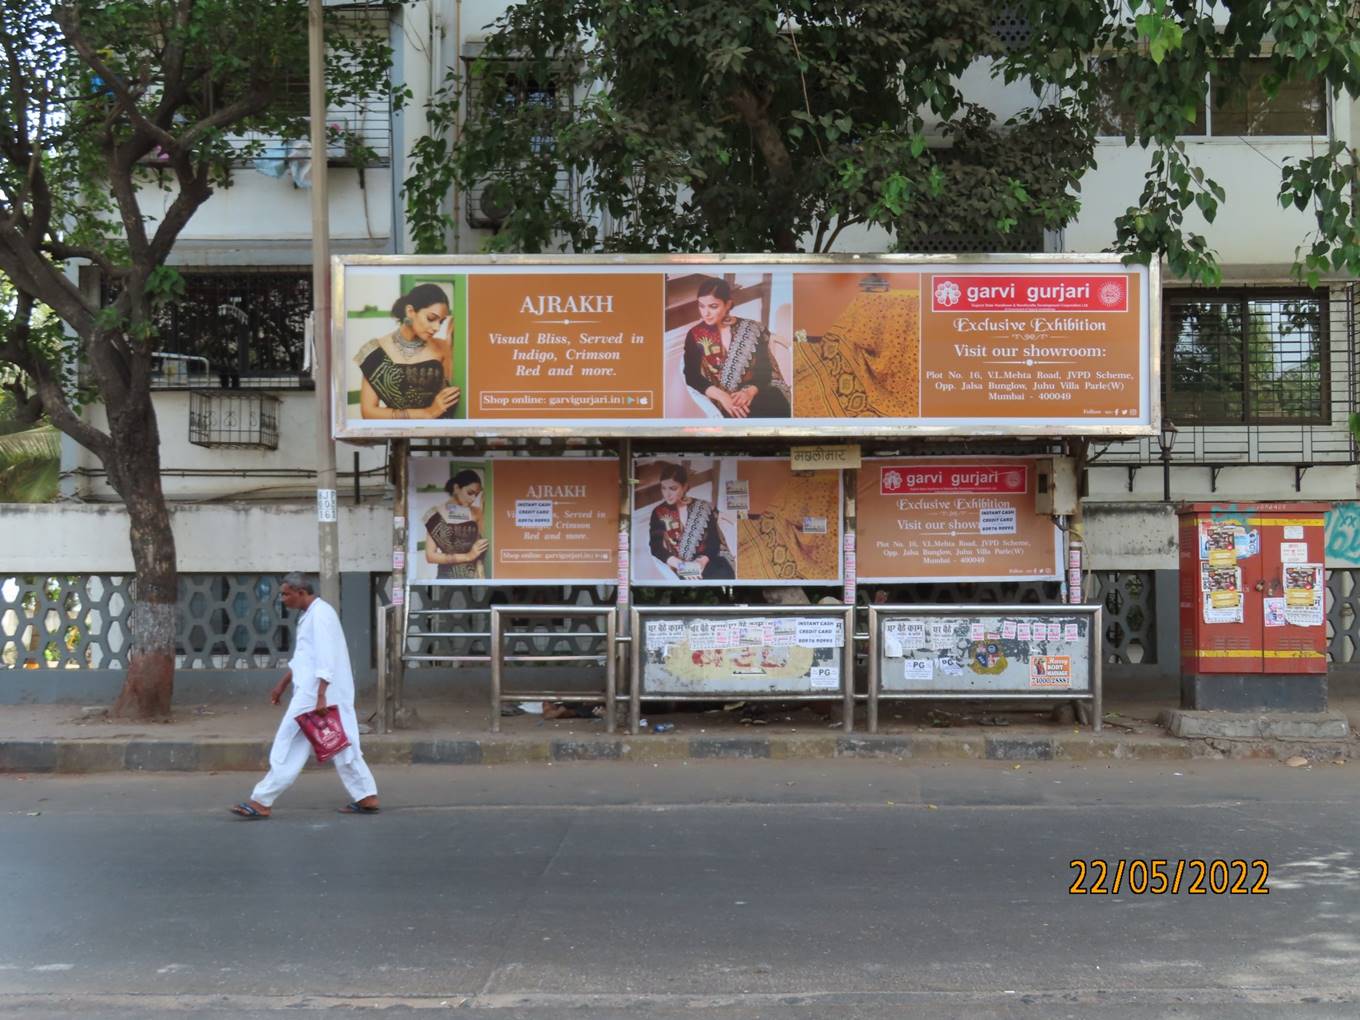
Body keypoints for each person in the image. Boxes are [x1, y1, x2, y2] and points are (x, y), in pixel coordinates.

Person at [230, 573, 379, 819]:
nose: (283, 599)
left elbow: (325, 657)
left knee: (288, 744)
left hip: (315, 694)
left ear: (301, 592)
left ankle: (261, 801)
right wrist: (281, 685)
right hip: (321, 691)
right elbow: (304, 659)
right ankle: (366, 796)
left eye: (286, 594)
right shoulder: (311, 614)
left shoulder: (320, 615)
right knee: (343, 742)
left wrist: (320, 696)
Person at [682, 277, 790, 418]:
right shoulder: (695, 335)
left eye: (713, 306)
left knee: (775, 407)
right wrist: (722, 397)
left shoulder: (752, 329)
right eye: (701, 306)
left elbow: (765, 370)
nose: (705, 313)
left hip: (759, 390)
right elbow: (692, 376)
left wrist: (750, 392)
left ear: (728, 305)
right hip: (726, 398)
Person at [354, 282, 460, 420]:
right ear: (410, 311)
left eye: (441, 322)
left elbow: (456, 397)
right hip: (397, 436)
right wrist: (427, 413)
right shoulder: (375, 351)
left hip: (440, 435)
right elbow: (368, 412)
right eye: (431, 318)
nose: (436, 328)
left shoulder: (442, 348)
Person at [647, 462, 735, 580]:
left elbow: (714, 542)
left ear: (685, 487)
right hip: (680, 564)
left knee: (724, 572)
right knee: (692, 581)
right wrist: (682, 566)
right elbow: (656, 548)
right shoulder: (658, 512)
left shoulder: (703, 507)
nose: (667, 494)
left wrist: (702, 562)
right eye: (663, 488)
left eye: (673, 488)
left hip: (705, 561)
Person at [423, 468, 488, 579]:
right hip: (446, 579)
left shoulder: (477, 512)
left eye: (476, 495)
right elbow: (430, 556)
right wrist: (468, 556)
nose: (473, 499)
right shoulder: (435, 514)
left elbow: (483, 543)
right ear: (456, 488)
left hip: (474, 579)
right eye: (470, 493)